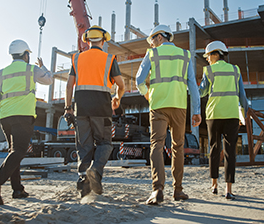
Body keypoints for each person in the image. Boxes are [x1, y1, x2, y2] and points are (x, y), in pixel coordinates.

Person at [136, 24, 201, 205]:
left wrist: (147, 94)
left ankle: (157, 190)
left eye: (152, 41)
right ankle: (178, 190)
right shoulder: (185, 55)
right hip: (179, 106)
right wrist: (196, 111)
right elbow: (192, 85)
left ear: (159, 37)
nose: (152, 45)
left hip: (158, 106)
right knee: (178, 147)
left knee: (156, 145)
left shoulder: (152, 54)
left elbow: (139, 80)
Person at [0, 39, 53, 205]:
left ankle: (17, 189)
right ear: (26, 55)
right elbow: (49, 80)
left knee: (13, 152)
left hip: (5, 118)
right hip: (23, 116)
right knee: (19, 151)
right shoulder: (31, 69)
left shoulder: (0, 73)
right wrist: (43, 67)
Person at [65, 25, 125, 197]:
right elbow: (121, 85)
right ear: (104, 40)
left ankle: (84, 185)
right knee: (105, 143)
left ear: (87, 40)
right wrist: (117, 98)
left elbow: (69, 85)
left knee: (84, 146)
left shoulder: (77, 58)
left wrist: (68, 108)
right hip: (102, 108)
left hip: (81, 109)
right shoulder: (109, 58)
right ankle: (96, 170)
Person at [199, 40, 249, 200]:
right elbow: (242, 96)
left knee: (213, 149)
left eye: (208, 55)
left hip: (214, 115)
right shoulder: (235, 70)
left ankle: (214, 185)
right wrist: (243, 114)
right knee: (230, 152)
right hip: (232, 115)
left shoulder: (208, 71)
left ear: (215, 54)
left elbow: (201, 93)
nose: (207, 59)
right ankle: (228, 189)